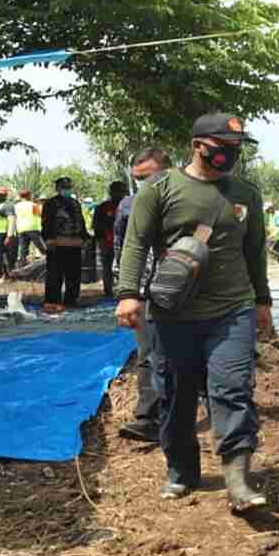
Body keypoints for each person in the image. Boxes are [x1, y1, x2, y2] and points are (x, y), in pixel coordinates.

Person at [115, 112, 271, 511]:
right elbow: (135, 243)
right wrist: (129, 293)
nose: (232, 155)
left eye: (237, 148)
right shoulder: (160, 189)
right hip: (173, 313)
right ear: (199, 146)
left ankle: (238, 479)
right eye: (224, 148)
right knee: (176, 394)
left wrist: (262, 301)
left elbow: (254, 251)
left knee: (233, 389)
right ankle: (182, 471)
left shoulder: (245, 194)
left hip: (232, 309)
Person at [115, 149, 173, 443]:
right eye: (137, 179)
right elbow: (123, 248)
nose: (142, 184)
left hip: (180, 291)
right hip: (144, 291)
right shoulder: (128, 206)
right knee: (148, 353)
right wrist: (128, 292)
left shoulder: (181, 201)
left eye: (148, 177)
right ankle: (148, 418)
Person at [41, 176, 88, 312]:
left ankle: (71, 300)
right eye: (63, 187)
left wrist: (84, 237)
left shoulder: (75, 203)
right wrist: (48, 239)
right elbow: (46, 222)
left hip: (74, 244)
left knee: (74, 274)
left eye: (68, 187)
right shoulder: (51, 203)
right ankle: (52, 301)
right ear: (57, 188)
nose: (66, 189)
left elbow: (81, 222)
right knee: (54, 274)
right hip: (57, 243)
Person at [93, 181, 126, 298]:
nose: (119, 194)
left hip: (125, 244)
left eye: (121, 192)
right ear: (111, 193)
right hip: (107, 243)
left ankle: (124, 291)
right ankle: (108, 291)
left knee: (125, 268)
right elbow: (97, 226)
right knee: (107, 268)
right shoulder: (102, 207)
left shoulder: (128, 206)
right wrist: (101, 242)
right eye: (117, 192)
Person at [14, 189, 46, 263]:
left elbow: (14, 217)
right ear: (29, 196)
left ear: (20, 197)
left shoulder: (16, 206)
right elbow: (41, 215)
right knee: (41, 246)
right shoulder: (33, 205)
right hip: (33, 228)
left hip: (21, 229)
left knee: (23, 249)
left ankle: (22, 264)